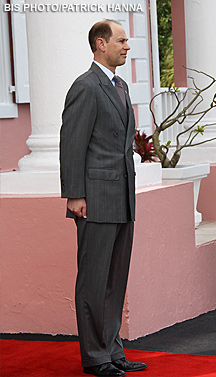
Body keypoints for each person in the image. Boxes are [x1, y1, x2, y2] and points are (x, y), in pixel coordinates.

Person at [60, 20, 147, 377]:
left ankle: (112, 349)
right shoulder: (85, 86)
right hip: (94, 199)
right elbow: (72, 144)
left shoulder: (120, 84)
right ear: (101, 44)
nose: (127, 46)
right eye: (122, 40)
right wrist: (74, 195)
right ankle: (96, 357)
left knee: (115, 279)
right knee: (94, 280)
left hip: (122, 197)